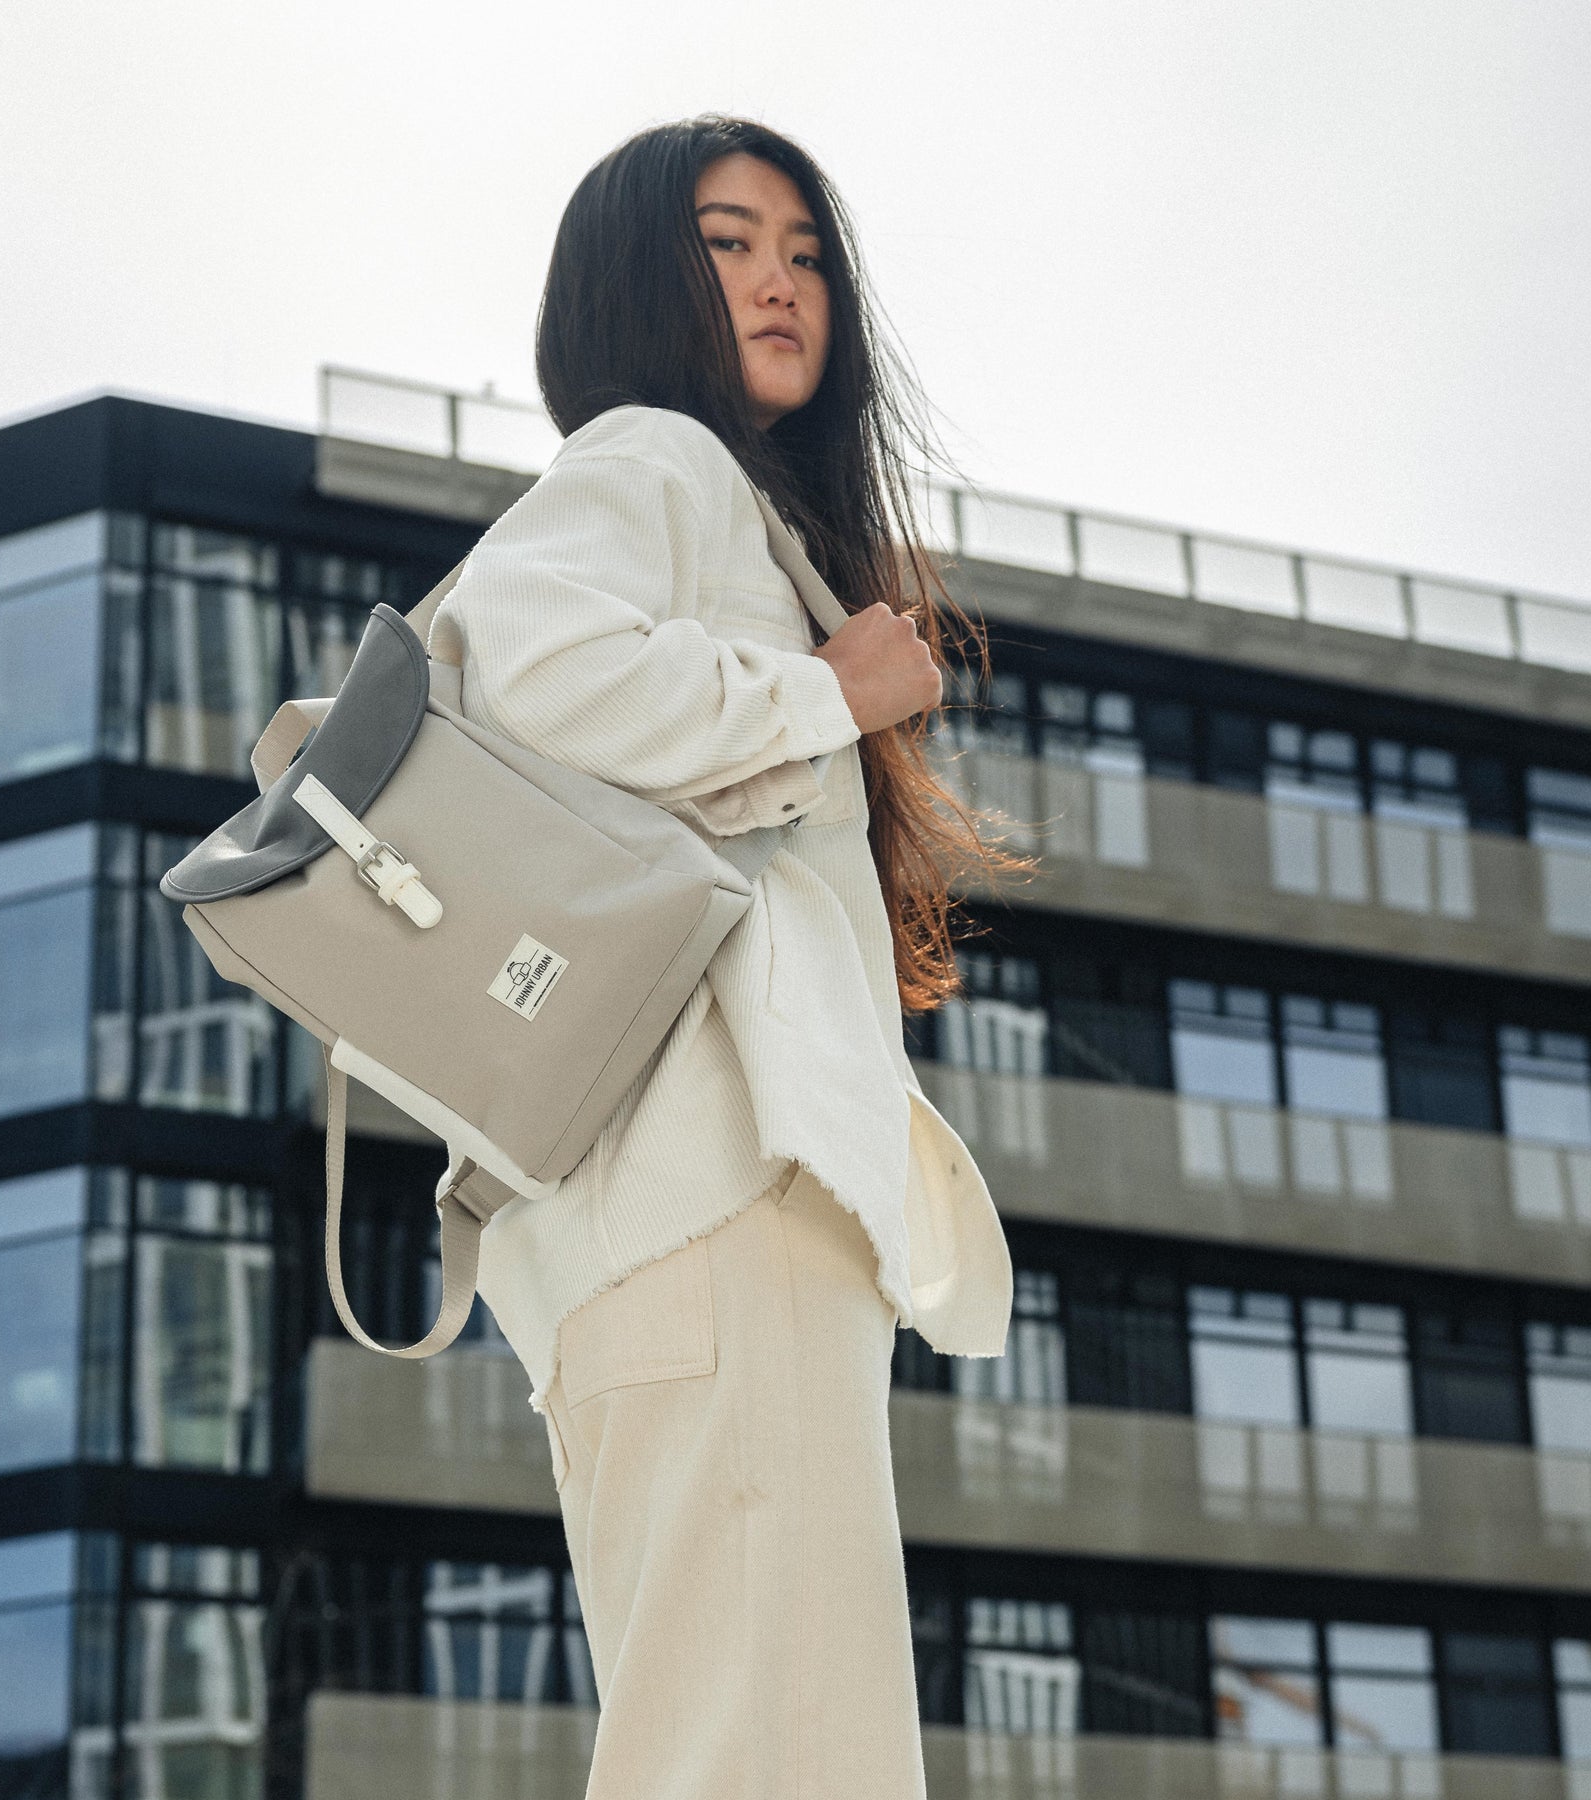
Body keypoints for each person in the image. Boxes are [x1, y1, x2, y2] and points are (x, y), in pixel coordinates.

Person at [428, 114, 1019, 1800]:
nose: (779, 279)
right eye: (728, 240)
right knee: (770, 1753)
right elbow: (536, 667)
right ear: (640, 274)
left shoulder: (726, 509)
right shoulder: (653, 460)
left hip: (676, 1219)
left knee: (747, 1742)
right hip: (710, 1199)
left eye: (805, 252)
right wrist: (828, 697)